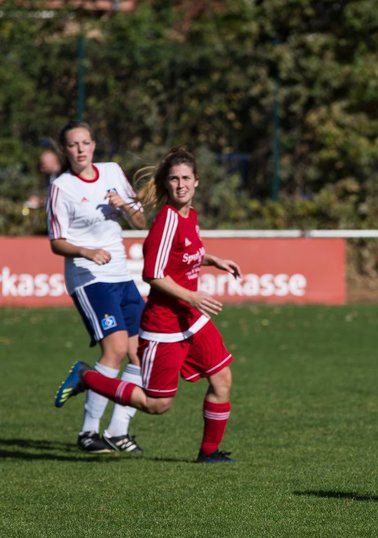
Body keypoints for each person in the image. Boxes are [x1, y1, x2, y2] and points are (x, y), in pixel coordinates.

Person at [54, 146, 241, 464]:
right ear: (167, 184)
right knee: (158, 404)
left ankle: (209, 453)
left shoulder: (190, 216)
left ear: (197, 181)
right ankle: (87, 377)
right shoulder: (166, 220)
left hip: (190, 319)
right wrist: (193, 296)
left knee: (222, 378)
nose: (180, 185)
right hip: (165, 325)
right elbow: (153, 274)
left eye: (186, 178)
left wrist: (212, 260)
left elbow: (185, 255)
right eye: (174, 179)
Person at [46, 121, 148, 453]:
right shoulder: (62, 187)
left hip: (121, 274)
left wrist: (124, 205)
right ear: (65, 150)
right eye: (73, 145)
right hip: (89, 277)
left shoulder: (112, 171)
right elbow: (56, 242)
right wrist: (86, 250)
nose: (81, 149)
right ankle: (88, 432)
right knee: (116, 350)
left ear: (93, 145)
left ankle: (118, 431)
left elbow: (140, 221)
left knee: (140, 353)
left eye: (86, 142)